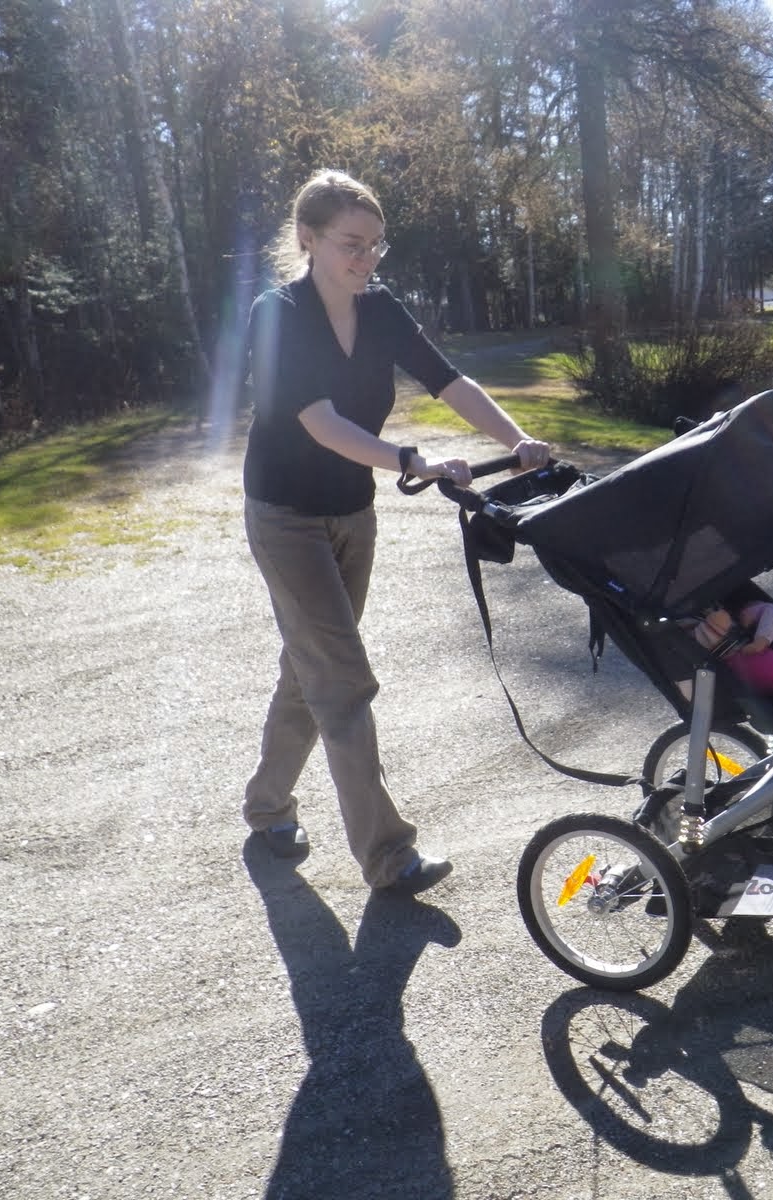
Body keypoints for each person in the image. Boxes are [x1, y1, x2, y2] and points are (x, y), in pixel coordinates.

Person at [239, 168, 548, 894]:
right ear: (308, 239)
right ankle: (388, 855)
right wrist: (412, 459)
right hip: (285, 516)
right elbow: (319, 422)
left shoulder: (379, 309)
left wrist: (521, 438)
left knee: (310, 666)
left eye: (377, 245)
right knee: (341, 677)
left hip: (353, 512)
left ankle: (265, 804)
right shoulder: (276, 313)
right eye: (352, 244)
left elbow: (449, 380)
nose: (366, 259)